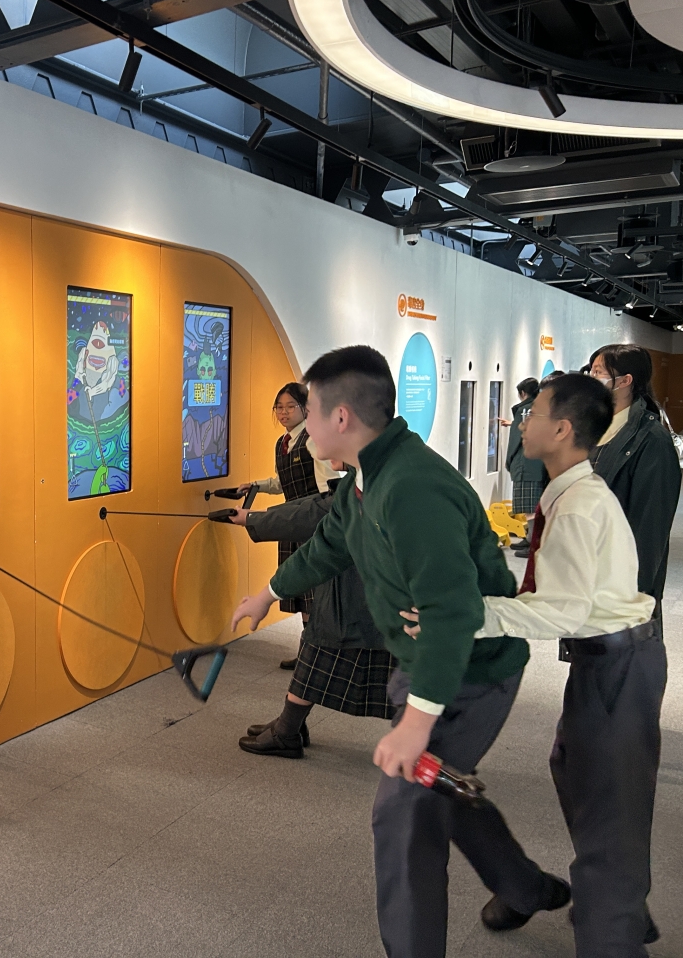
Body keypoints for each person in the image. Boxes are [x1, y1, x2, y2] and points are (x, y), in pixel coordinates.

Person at [231, 345, 565, 958]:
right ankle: (525, 887)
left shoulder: (412, 487)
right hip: (423, 666)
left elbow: (453, 613)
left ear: (340, 418)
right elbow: (330, 544)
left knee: (403, 814)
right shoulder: (366, 476)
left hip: (471, 671)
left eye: (310, 410)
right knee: (440, 793)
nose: (302, 424)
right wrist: (268, 593)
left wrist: (416, 722)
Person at [401, 373, 664, 953]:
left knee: (608, 805)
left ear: (563, 429)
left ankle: (614, 931)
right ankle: (622, 906)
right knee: (578, 772)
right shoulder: (569, 494)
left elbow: (562, 611)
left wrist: (469, 615)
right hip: (605, 659)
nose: (523, 420)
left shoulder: (578, 507)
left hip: (619, 662)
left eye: (535, 412)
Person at [231, 485, 395, 758]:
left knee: (322, 647)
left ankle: (287, 730)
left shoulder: (380, 482)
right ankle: (289, 727)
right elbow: (320, 516)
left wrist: (253, 519)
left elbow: (319, 521)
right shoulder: (363, 478)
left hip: (382, 594)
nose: (328, 463)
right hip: (371, 587)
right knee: (318, 647)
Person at [238, 383, 339, 669]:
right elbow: (283, 481)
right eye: (279, 407)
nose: (283, 412)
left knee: (315, 592)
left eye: (290, 406)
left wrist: (324, 520)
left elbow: (327, 487)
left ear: (305, 409)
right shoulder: (283, 443)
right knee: (302, 594)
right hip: (291, 522)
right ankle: (307, 652)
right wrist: (256, 485)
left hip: (311, 521)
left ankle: (316, 654)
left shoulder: (313, 440)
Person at [588, 344, 682, 614]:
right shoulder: (592, 426)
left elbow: (650, 525)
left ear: (625, 381)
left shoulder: (651, 439)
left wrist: (633, 592)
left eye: (598, 372)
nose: (590, 379)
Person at [502, 377, 547, 557]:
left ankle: (533, 543)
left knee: (530, 507)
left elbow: (516, 440)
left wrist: (509, 462)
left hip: (525, 465)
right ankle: (530, 539)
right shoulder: (543, 409)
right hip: (540, 464)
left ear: (522, 393)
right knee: (536, 505)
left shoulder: (524, 410)